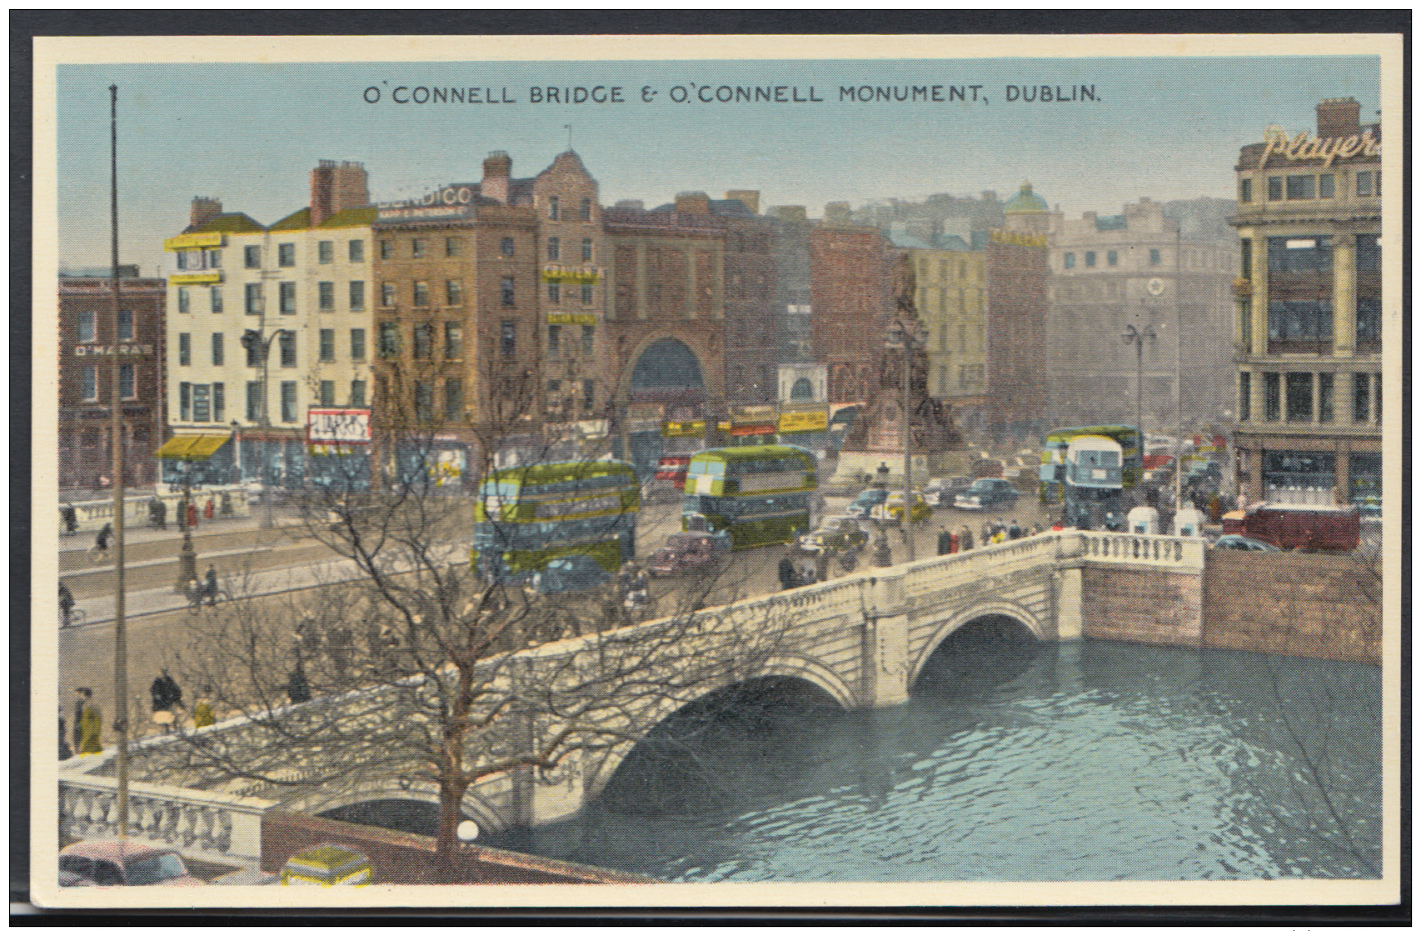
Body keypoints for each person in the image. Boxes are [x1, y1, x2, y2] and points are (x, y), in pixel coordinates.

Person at [74, 688, 102, 755]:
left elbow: (96, 716)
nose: (78, 695)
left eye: (79, 694)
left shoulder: (89, 703)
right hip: (81, 724)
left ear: (83, 693)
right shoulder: (80, 702)